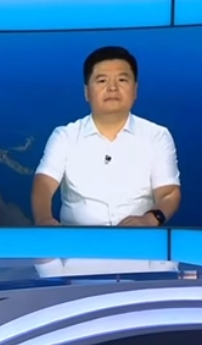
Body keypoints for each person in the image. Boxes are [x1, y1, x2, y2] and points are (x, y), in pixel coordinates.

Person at [31, 46, 181, 227]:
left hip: (138, 241)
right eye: (102, 81)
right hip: (76, 242)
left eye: (122, 80)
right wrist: (44, 220)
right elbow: (44, 184)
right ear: (87, 92)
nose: (112, 88)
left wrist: (149, 220)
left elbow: (168, 193)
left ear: (135, 89)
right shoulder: (65, 136)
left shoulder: (157, 136)